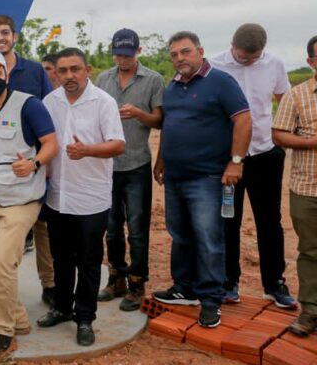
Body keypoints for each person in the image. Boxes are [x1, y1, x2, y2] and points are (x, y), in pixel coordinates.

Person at [153, 31, 252, 329]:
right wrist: (161, 160)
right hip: (175, 176)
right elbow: (169, 126)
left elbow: (243, 119)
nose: (179, 58)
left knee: (209, 239)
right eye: (174, 54)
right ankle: (184, 288)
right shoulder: (172, 87)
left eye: (185, 52)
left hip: (207, 177)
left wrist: (236, 162)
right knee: (180, 234)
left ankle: (210, 300)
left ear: (200, 51)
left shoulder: (220, 82)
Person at [0, 49, 59, 358]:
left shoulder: (28, 105)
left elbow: (51, 144)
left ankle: (3, 328)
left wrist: (33, 164)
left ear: (6, 75)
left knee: (3, 259)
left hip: (21, 199)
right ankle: (17, 317)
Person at [39, 48, 125, 346]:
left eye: (75, 69)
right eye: (62, 71)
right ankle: (62, 308)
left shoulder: (103, 102)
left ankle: (85, 318)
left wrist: (87, 149)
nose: (69, 76)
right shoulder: (50, 102)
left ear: (87, 69)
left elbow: (117, 145)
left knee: (89, 262)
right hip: (58, 197)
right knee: (61, 259)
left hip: (91, 198)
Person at [210, 23, 296, 308]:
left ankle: (274, 284)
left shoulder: (274, 64)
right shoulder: (214, 66)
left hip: (265, 153)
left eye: (253, 57)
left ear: (263, 51)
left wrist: (281, 139)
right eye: (243, 56)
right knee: (227, 220)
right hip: (228, 155)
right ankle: (228, 282)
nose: (248, 61)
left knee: (270, 221)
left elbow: (285, 100)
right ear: (231, 44)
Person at [0, 14, 55, 304]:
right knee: (3, 235)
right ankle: (1, 295)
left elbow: (50, 113)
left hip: (34, 164)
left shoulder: (35, 71)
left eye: (5, 33)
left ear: (14, 36)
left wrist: (44, 162)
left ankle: (50, 285)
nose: (1, 38)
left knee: (42, 229)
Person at [95, 29, 164, 312]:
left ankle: (137, 283)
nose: (122, 59)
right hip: (108, 165)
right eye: (118, 53)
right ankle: (116, 279)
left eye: (127, 53)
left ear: (138, 51)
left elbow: (159, 121)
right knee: (111, 229)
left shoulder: (153, 80)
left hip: (136, 163)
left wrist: (139, 114)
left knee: (137, 228)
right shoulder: (103, 79)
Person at [272, 35, 317, 337]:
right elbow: (278, 135)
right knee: (311, 251)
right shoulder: (297, 95)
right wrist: (311, 142)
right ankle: (311, 312)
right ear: (311, 62)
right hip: (307, 188)